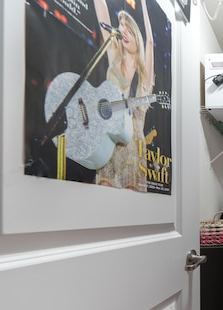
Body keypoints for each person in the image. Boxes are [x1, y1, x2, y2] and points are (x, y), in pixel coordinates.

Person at [94, 0, 154, 191]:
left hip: (133, 146)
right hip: (109, 139)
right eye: (121, 26)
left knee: (131, 203)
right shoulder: (115, 56)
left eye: (128, 27)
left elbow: (151, 42)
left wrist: (143, 3)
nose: (123, 31)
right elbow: (101, 10)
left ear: (137, 36)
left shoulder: (144, 76)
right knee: (103, 192)